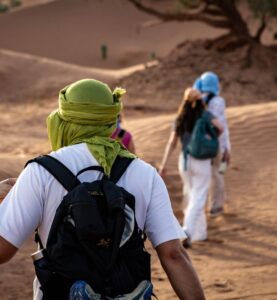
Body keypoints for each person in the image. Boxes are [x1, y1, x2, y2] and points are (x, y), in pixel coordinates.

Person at [0, 79, 206, 300]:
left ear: (63, 120)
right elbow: (174, 255)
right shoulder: (145, 174)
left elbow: (3, 250)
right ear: (110, 120)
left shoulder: (40, 172)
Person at [159, 87, 223, 248]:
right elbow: (220, 127)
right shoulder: (205, 115)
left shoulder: (180, 117)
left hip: (184, 161)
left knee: (191, 193)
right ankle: (186, 230)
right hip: (201, 161)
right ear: (201, 101)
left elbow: (172, 142)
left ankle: (200, 233)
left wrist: (164, 164)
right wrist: (212, 139)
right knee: (199, 196)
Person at [193, 71, 231, 217]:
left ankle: (200, 206)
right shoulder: (218, 101)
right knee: (218, 174)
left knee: (202, 176)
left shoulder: (198, 101)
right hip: (216, 145)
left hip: (200, 145)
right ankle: (216, 207)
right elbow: (222, 126)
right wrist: (227, 147)